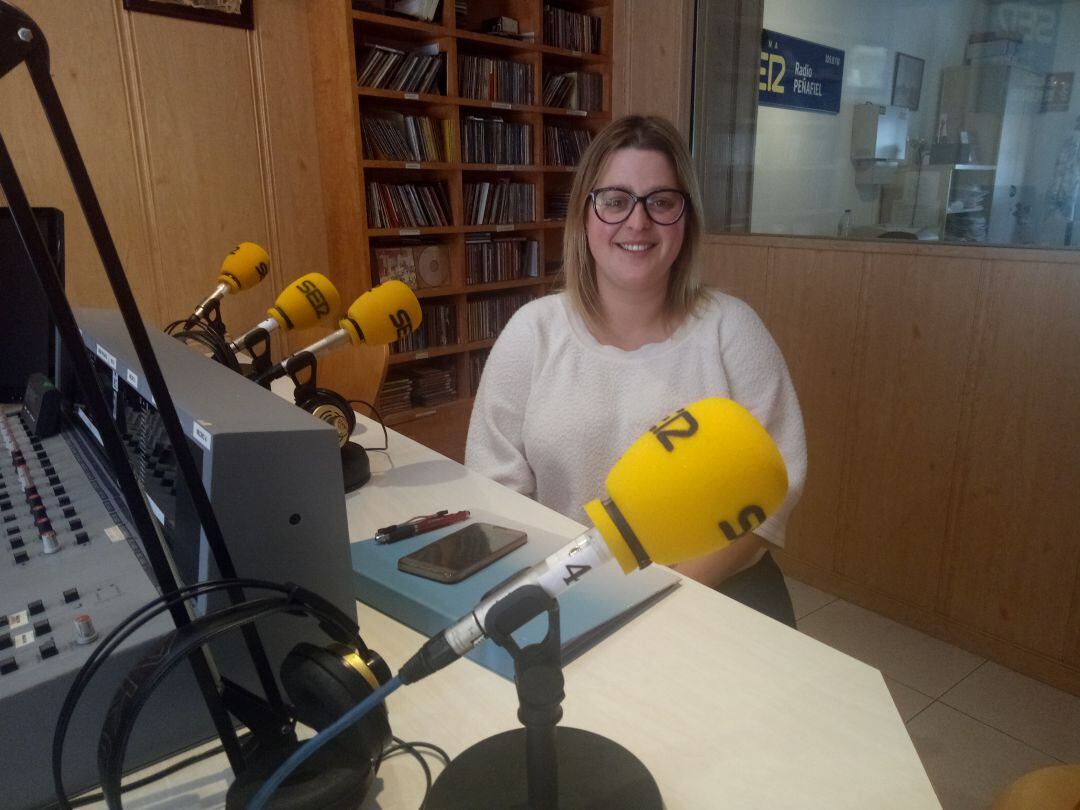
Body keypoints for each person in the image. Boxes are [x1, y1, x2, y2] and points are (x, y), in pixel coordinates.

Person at [464, 115, 807, 627]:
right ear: (585, 215)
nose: (637, 222)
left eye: (661, 202)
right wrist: (575, 592)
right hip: (568, 597)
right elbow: (494, 489)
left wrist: (668, 592)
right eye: (615, 200)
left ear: (686, 219)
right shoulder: (531, 333)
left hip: (720, 595)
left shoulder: (732, 330)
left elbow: (779, 481)